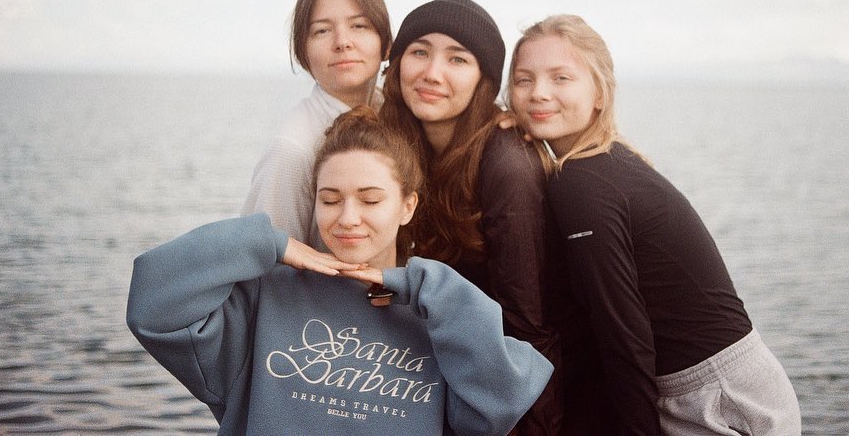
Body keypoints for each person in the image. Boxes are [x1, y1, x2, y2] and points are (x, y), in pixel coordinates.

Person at [127, 107, 553, 435]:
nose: (348, 218)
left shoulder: (437, 314)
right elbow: (154, 306)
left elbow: (501, 402)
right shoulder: (268, 298)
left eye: (370, 200)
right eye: (330, 200)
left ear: (407, 206)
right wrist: (268, 243)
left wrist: (427, 284)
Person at [508, 14, 801, 436]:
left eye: (561, 78)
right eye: (523, 80)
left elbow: (622, 334)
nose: (539, 92)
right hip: (740, 385)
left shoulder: (582, 184)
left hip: (716, 400)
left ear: (599, 93)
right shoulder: (609, 159)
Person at [378, 0, 562, 435]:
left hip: (512, 394)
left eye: (457, 59)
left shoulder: (507, 164)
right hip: (445, 378)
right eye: (419, 51)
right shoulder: (399, 143)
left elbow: (528, 327)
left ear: (484, 80)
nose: (432, 73)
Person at [241, 0, 392, 257]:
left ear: (386, 43)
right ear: (303, 52)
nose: (342, 42)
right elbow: (267, 263)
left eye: (359, 26)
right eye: (322, 30)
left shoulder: (394, 112)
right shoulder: (292, 150)